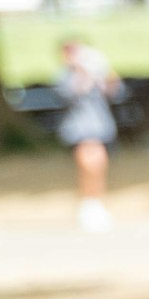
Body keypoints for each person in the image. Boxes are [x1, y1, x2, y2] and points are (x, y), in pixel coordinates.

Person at [53, 35, 123, 232]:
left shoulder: (96, 71)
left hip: (100, 125)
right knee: (90, 163)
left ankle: (96, 202)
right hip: (79, 127)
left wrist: (106, 72)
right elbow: (70, 93)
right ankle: (88, 204)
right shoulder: (64, 76)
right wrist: (82, 71)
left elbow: (114, 92)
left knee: (100, 165)